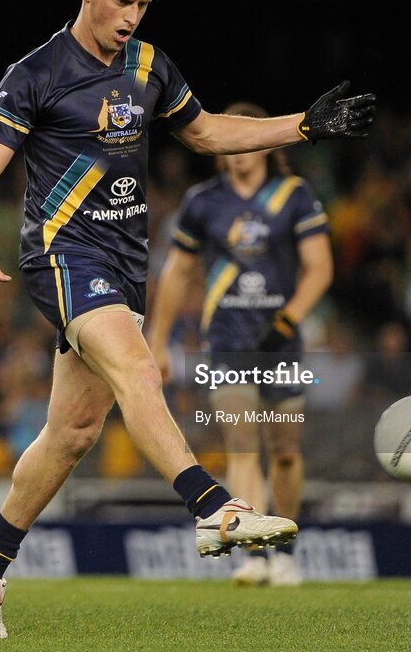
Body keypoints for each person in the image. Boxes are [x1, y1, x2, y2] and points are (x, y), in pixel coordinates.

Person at [0, 0, 375, 638]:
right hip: (62, 256)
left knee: (74, 431)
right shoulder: (35, 73)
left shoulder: (148, 66)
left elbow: (207, 134)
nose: (131, 16)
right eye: (121, 0)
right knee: (140, 368)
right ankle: (216, 507)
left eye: (143, 4)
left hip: (122, 264)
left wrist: (300, 127)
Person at [147, 102, 334, 587]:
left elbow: (320, 267)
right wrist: (158, 339)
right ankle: (256, 553)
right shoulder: (203, 202)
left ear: (268, 144)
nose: (241, 150)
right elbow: (177, 272)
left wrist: (288, 319)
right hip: (226, 342)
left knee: (287, 452)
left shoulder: (294, 196)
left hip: (282, 345)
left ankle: (287, 552)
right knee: (243, 446)